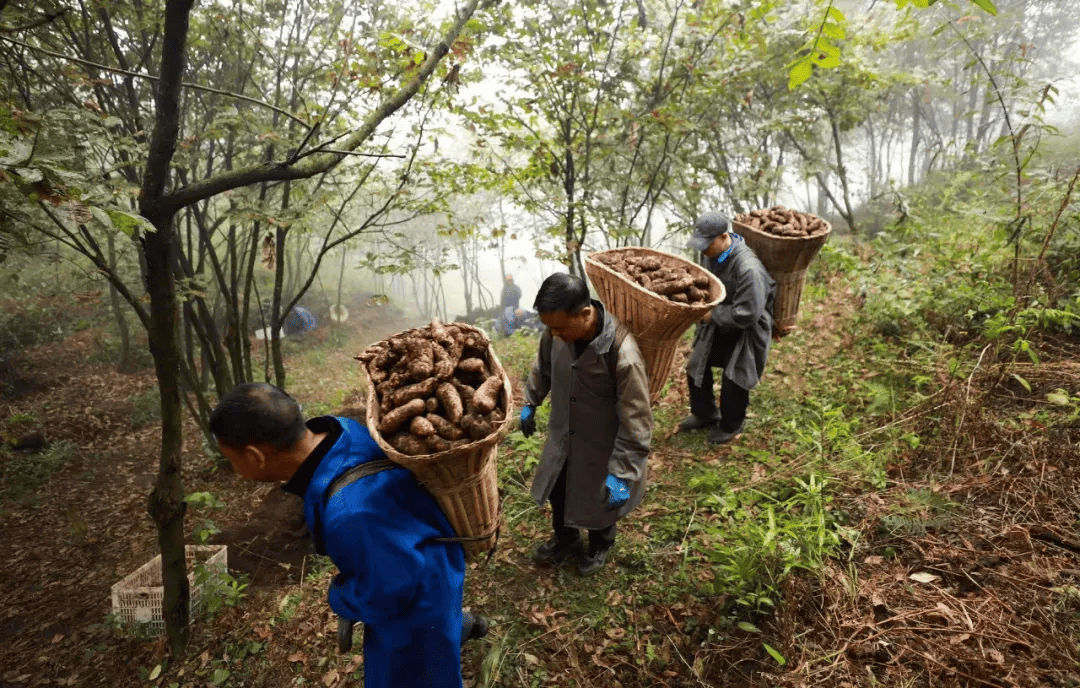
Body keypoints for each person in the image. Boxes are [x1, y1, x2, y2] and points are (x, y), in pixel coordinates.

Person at [209, 383, 488, 688]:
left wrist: (341, 597)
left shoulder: (349, 513)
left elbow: (390, 591)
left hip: (417, 597)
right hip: (419, 552)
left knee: (413, 675)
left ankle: (446, 631)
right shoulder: (341, 430)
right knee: (437, 631)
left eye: (231, 460)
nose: (234, 469)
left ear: (254, 456)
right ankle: (455, 627)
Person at [519, 273, 652, 576]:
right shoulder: (557, 331)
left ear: (586, 313)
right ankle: (565, 539)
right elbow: (543, 366)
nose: (555, 335)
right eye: (550, 328)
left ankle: (600, 543)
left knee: (598, 496)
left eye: (561, 328)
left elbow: (637, 421)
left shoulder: (623, 353)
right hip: (564, 431)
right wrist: (531, 401)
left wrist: (622, 472)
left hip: (601, 440)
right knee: (559, 486)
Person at [680, 211, 776, 444]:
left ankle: (732, 424)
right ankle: (705, 414)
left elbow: (748, 314)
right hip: (719, 321)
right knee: (696, 366)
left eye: (707, 244)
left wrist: (712, 314)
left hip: (747, 326)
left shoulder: (748, 269)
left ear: (724, 237)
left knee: (735, 379)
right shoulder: (711, 256)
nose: (703, 250)